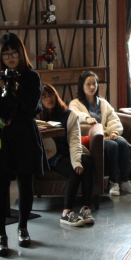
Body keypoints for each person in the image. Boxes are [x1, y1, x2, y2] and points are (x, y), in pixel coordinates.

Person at [0, 33, 47, 255]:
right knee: (0, 186)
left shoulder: (31, 77)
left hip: (25, 136)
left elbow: (32, 108)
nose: (10, 57)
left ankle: (23, 228)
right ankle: (1, 234)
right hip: (1, 137)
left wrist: (17, 89)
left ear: (21, 53)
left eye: (14, 53)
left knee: (25, 184)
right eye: (5, 54)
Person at [69, 70, 131, 196]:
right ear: (82, 86)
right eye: (88, 84)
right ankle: (113, 182)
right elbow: (75, 115)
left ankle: (125, 181)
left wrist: (114, 131)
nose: (92, 87)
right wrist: (87, 118)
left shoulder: (103, 103)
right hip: (92, 138)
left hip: (107, 134)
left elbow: (113, 118)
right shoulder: (75, 103)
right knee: (113, 146)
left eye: (94, 84)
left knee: (122, 143)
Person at [41, 83, 98, 227]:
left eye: (51, 94)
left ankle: (85, 208)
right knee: (75, 171)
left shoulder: (69, 115)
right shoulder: (37, 117)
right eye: (44, 96)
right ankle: (66, 212)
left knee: (88, 162)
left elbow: (74, 142)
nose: (49, 99)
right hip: (51, 156)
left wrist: (77, 161)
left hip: (69, 151)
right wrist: (75, 165)